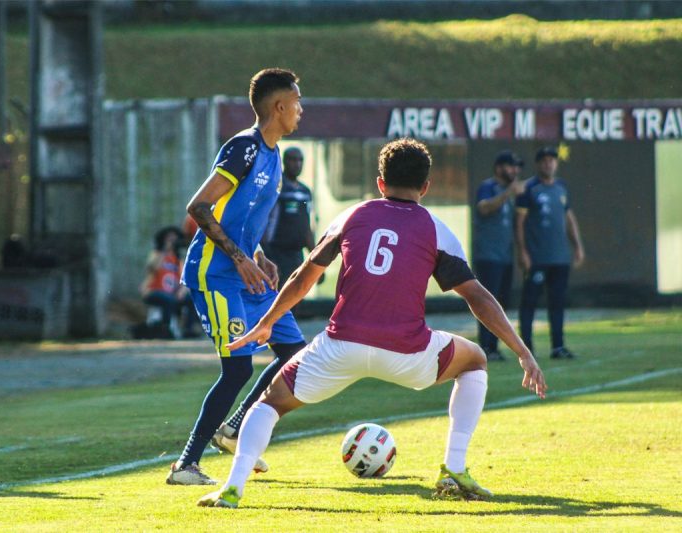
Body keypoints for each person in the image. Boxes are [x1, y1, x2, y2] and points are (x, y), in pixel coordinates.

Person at [197, 138, 547, 509]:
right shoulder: (437, 229)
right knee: (475, 359)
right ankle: (454, 468)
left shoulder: (353, 215)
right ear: (425, 187)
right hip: (408, 353)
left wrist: (267, 323)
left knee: (269, 404)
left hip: (339, 348)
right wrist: (523, 351)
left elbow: (303, 277)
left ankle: (233, 488)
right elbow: (478, 298)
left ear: (380, 182)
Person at [166, 68, 307, 485]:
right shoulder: (243, 148)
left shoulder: (275, 152)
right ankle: (186, 465)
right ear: (279, 107)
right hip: (215, 275)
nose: (301, 110)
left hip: (248, 274)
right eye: (297, 102)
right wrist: (239, 258)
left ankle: (233, 430)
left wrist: (258, 255)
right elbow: (200, 207)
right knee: (238, 370)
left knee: (294, 355)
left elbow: (240, 216)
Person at [515, 146, 585, 360]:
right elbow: (519, 222)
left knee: (557, 303)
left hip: (559, 258)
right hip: (537, 258)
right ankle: (526, 349)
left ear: (556, 163)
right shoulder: (529, 189)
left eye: (552, 160)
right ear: (538, 164)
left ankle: (558, 346)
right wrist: (523, 252)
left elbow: (568, 218)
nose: (548, 164)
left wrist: (577, 246)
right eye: (544, 160)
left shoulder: (561, 188)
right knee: (530, 303)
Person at [471, 150, 525, 362]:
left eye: (516, 167)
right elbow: (484, 208)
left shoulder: (509, 192)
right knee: (487, 303)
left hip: (505, 256)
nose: (515, 171)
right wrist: (507, 194)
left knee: (501, 304)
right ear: (499, 167)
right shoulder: (489, 187)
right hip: (488, 256)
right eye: (511, 166)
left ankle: (493, 347)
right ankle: (485, 346)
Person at [262, 146, 315, 287]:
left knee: (296, 298)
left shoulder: (305, 191)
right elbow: (264, 222)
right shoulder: (276, 187)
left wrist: (315, 258)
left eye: (300, 160)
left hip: (297, 255)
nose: (297, 164)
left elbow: (307, 225)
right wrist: (268, 256)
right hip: (276, 254)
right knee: (277, 298)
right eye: (293, 159)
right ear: (284, 161)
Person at [136, 226, 198, 339]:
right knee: (168, 300)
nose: (172, 241)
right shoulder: (156, 254)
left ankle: (188, 330)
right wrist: (165, 251)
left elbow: (185, 278)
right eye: (169, 239)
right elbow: (153, 268)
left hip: (172, 294)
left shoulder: (178, 259)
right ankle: (165, 330)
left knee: (191, 299)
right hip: (153, 291)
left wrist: (181, 292)